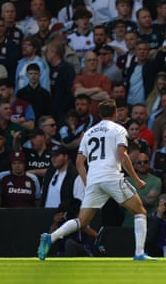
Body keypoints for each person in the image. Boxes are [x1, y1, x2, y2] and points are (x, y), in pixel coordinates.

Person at [37, 99, 156, 261]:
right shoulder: (118, 129)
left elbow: (79, 162)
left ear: (99, 115)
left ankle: (51, 237)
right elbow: (122, 155)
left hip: (94, 179)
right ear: (115, 113)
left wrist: (87, 182)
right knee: (140, 211)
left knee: (82, 221)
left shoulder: (89, 132)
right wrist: (136, 178)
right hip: (112, 177)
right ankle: (139, 252)